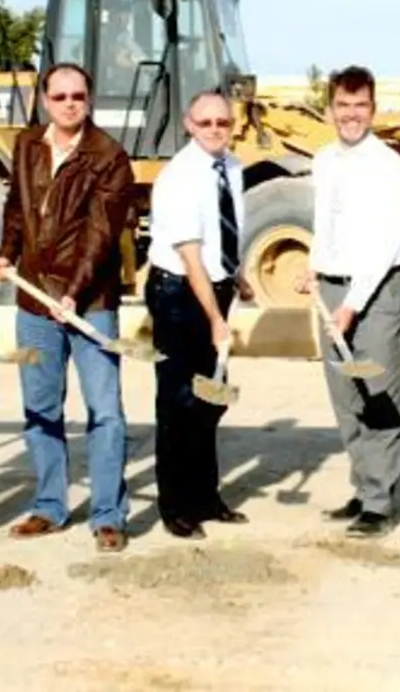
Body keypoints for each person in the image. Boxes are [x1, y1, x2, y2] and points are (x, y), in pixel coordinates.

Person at [0, 63, 135, 553]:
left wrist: (73, 291)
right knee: (40, 407)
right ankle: (50, 506)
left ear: (88, 100)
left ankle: (108, 514)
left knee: (106, 412)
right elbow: (17, 208)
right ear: (45, 101)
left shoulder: (109, 157)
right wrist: (6, 253)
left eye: (78, 95)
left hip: (89, 304)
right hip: (33, 303)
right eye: (59, 96)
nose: (69, 103)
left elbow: (100, 234)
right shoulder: (27, 145)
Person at [295, 65, 400, 538]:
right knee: (345, 395)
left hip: (377, 290)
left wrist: (352, 305)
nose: (351, 115)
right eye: (342, 106)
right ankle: (365, 486)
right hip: (333, 287)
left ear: (373, 109)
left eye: (360, 106)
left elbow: (384, 243)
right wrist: (315, 263)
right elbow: (326, 222)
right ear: (330, 110)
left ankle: (379, 503)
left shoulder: (388, 166)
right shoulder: (324, 159)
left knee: (378, 392)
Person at [145, 91, 255, 539]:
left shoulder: (233, 169)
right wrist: (215, 319)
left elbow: (223, 235)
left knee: (210, 400)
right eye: (205, 122)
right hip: (179, 293)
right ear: (189, 125)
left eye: (222, 123)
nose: (214, 129)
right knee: (178, 401)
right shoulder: (179, 176)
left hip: (215, 287)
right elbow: (190, 254)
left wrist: (239, 276)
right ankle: (175, 507)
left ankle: (206, 497)